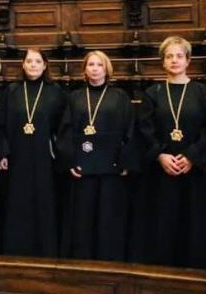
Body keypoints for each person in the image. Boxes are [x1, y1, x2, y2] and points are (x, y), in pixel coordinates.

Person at [136, 36, 206, 268]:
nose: (174, 60)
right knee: (164, 221)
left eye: (179, 56)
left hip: (195, 170)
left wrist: (192, 155)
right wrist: (160, 155)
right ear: (163, 62)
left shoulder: (203, 92)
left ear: (188, 60)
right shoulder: (152, 93)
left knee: (195, 222)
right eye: (169, 56)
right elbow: (145, 129)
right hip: (162, 170)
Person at [57, 50, 136, 261]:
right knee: (82, 219)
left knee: (108, 217)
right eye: (90, 64)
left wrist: (126, 160)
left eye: (99, 65)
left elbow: (130, 130)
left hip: (111, 171)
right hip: (83, 171)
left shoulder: (120, 97)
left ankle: (110, 261)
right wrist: (70, 161)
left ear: (106, 69)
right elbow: (65, 130)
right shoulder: (74, 97)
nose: (94, 68)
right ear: (84, 69)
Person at [0, 48, 65, 257]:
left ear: (45, 66)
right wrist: (2, 153)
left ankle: (45, 250)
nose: (33, 65)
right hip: (17, 157)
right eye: (29, 61)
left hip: (45, 158)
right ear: (23, 65)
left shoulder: (56, 92)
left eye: (38, 61)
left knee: (44, 202)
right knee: (16, 203)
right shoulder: (12, 91)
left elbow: (63, 127)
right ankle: (15, 249)